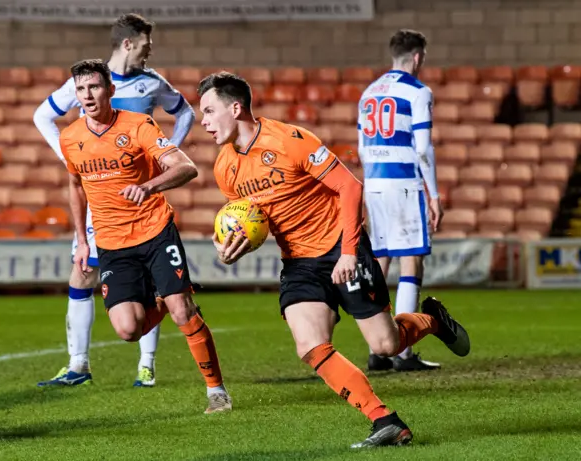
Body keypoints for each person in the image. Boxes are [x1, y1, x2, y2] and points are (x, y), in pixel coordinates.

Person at [198, 72, 469, 448]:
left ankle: (432, 320)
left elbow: (350, 187)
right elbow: (252, 221)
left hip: (342, 248)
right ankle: (385, 420)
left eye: (209, 111)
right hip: (299, 263)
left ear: (236, 107)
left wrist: (347, 252)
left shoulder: (291, 140)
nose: (204, 122)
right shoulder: (224, 168)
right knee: (309, 345)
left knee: (385, 346)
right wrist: (233, 246)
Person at [59, 59, 232, 414]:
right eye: (81, 89)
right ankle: (168, 301)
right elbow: (75, 186)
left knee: (183, 311)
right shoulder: (70, 137)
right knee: (127, 330)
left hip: (154, 231)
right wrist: (82, 239)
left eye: (94, 87)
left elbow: (186, 166)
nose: (88, 95)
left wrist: (149, 186)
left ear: (110, 89)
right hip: (111, 243)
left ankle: (216, 391)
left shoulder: (138, 126)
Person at [34, 13, 195, 387]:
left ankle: (147, 363)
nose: (148, 52)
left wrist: (166, 153)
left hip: (138, 196)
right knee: (82, 271)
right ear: (128, 44)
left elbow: (184, 112)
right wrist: (67, 158)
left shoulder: (152, 83)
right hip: (100, 194)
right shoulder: (86, 83)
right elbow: (43, 115)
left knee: (149, 281)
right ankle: (78, 365)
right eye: (145, 45)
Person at [358, 29, 444, 372]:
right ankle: (403, 353)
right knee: (412, 262)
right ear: (418, 57)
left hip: (374, 184)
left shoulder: (368, 93)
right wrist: (433, 194)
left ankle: (377, 348)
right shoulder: (418, 91)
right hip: (404, 183)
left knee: (380, 263)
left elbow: (362, 147)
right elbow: (422, 148)